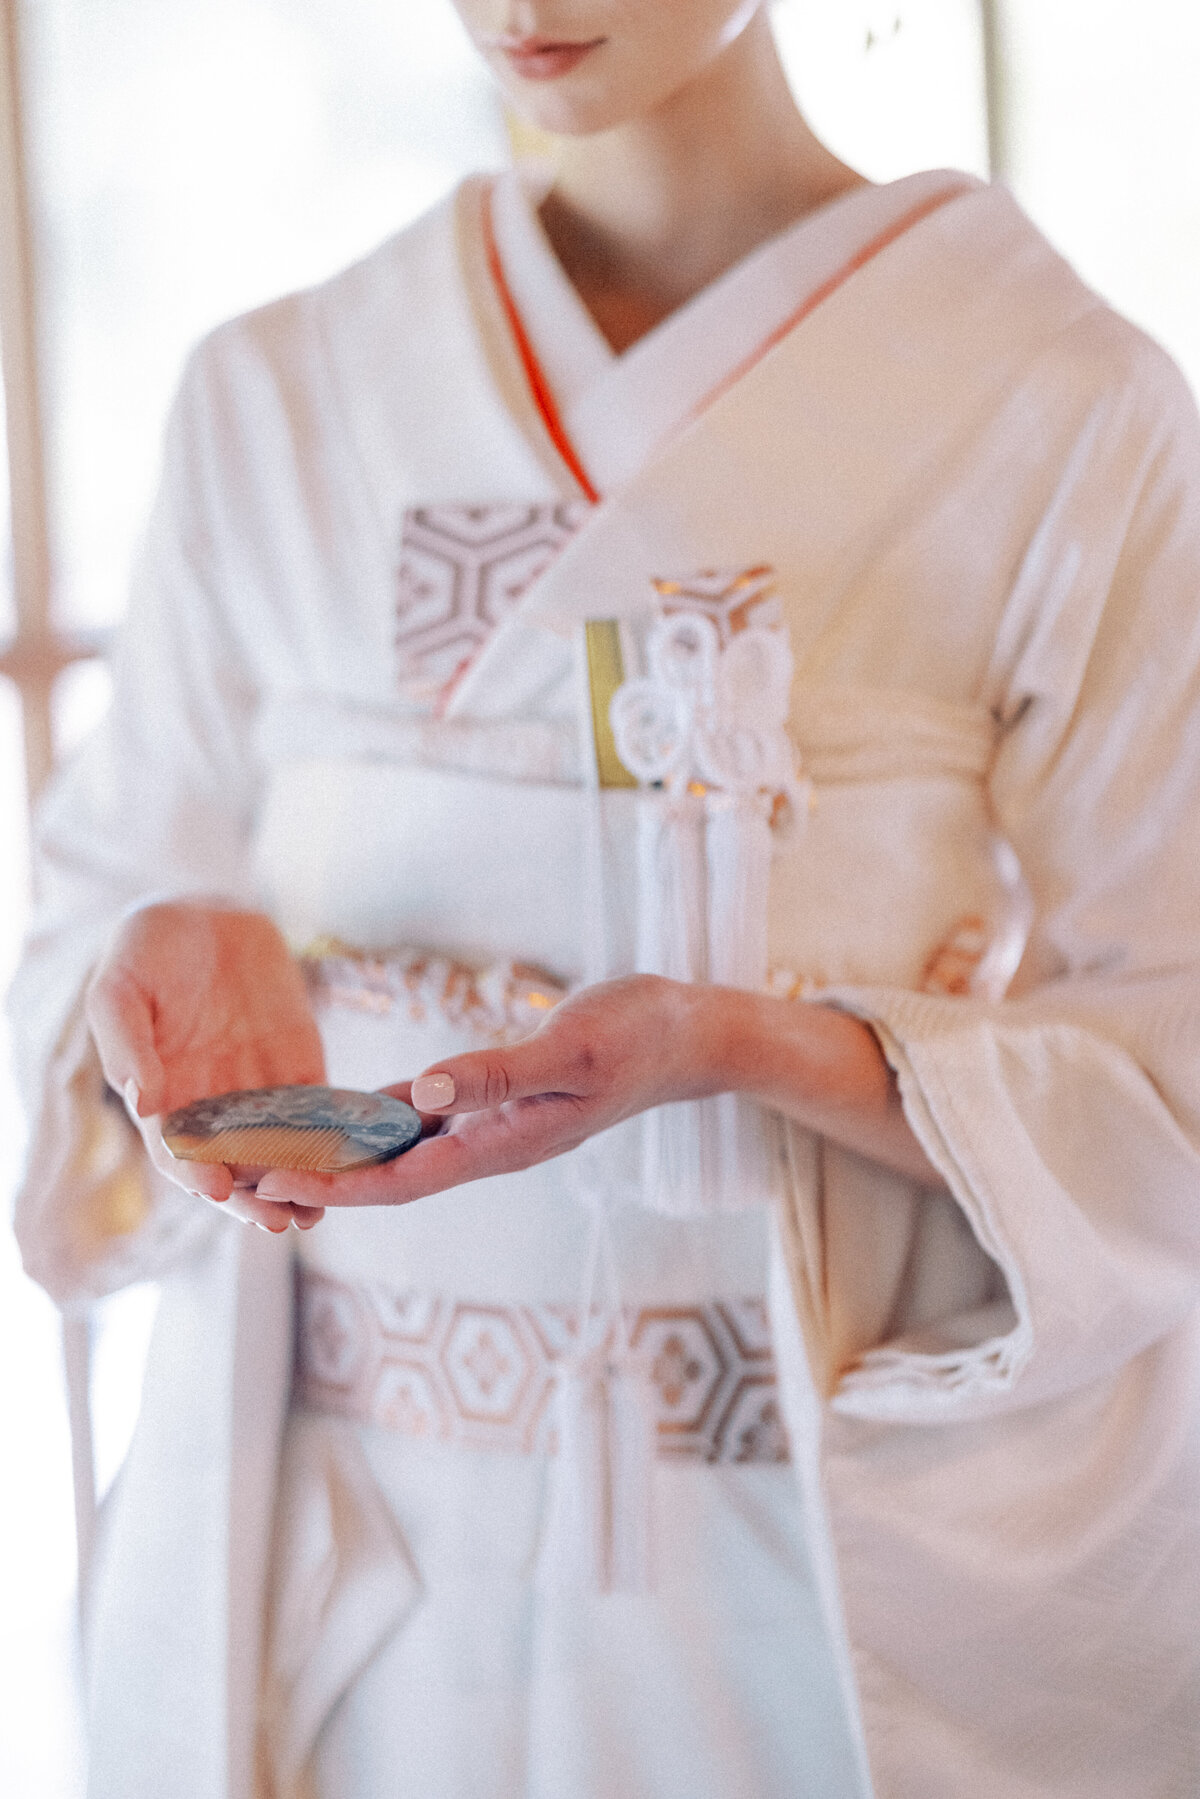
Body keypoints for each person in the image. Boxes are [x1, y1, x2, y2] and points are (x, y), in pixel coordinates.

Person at [10, 4, 1200, 1796]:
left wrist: (756, 1049)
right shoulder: (276, 388)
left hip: (794, 1573)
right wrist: (155, 959)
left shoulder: (1055, 399)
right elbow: (91, 910)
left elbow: (1170, 1057)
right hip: (359, 1588)